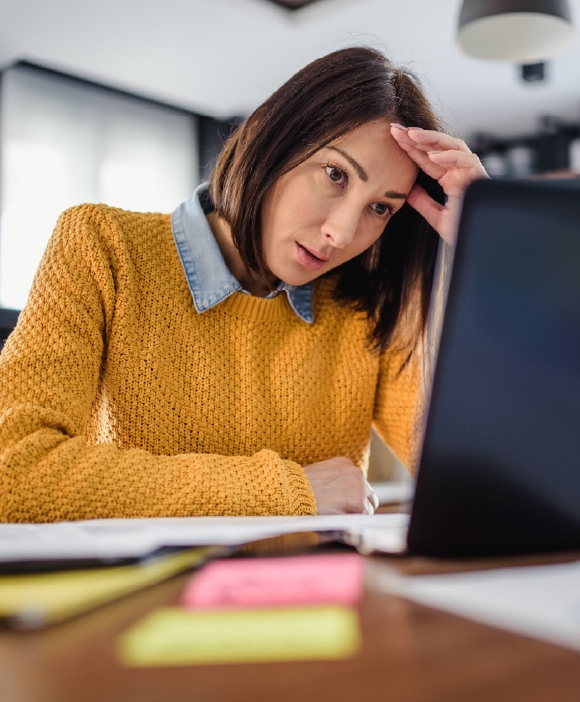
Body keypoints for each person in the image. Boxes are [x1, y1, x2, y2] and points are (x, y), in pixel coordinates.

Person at [0, 46, 487, 523]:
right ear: (265, 137)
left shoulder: (366, 306)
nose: (341, 233)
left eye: (380, 207)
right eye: (335, 174)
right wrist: (285, 489)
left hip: (316, 600)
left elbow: (484, 484)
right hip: (141, 600)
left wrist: (492, 255)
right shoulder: (102, 246)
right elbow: (13, 472)